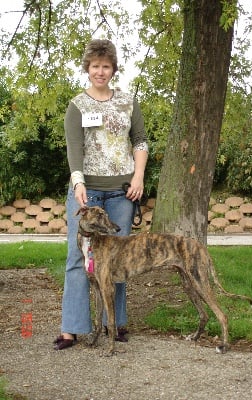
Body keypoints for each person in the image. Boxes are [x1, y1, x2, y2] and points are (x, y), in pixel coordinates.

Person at [54, 39, 148, 350]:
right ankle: (71, 328)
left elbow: (140, 143)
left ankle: (115, 323)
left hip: (122, 193)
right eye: (95, 66)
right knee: (77, 260)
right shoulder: (77, 105)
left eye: (106, 66)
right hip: (87, 193)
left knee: (116, 260)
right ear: (88, 68)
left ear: (113, 69)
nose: (100, 71)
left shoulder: (128, 102)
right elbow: (75, 149)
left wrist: (138, 177)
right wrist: (79, 183)